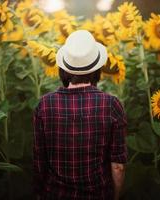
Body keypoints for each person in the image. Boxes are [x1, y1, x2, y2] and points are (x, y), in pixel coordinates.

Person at [32, 30, 127, 200]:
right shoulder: (111, 104)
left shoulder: (44, 105)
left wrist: (40, 193)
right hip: (98, 194)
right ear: (97, 69)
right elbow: (118, 166)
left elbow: (39, 162)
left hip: (55, 194)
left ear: (63, 68)